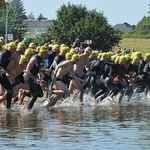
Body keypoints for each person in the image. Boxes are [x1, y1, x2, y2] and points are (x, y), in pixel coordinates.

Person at [23, 46, 49, 111]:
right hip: (28, 77)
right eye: (46, 53)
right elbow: (27, 70)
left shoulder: (42, 59)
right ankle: (28, 111)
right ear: (41, 52)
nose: (47, 54)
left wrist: (43, 74)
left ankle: (24, 92)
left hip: (34, 78)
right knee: (34, 96)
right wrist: (35, 79)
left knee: (40, 94)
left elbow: (39, 70)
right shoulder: (35, 58)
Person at [0, 42, 16, 110]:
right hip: (1, 73)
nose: (13, 50)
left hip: (2, 74)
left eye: (14, 48)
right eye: (12, 48)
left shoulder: (9, 54)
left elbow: (4, 66)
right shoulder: (4, 53)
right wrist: (8, 72)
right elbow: (0, 65)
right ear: (8, 47)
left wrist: (8, 74)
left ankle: (8, 108)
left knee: (10, 90)